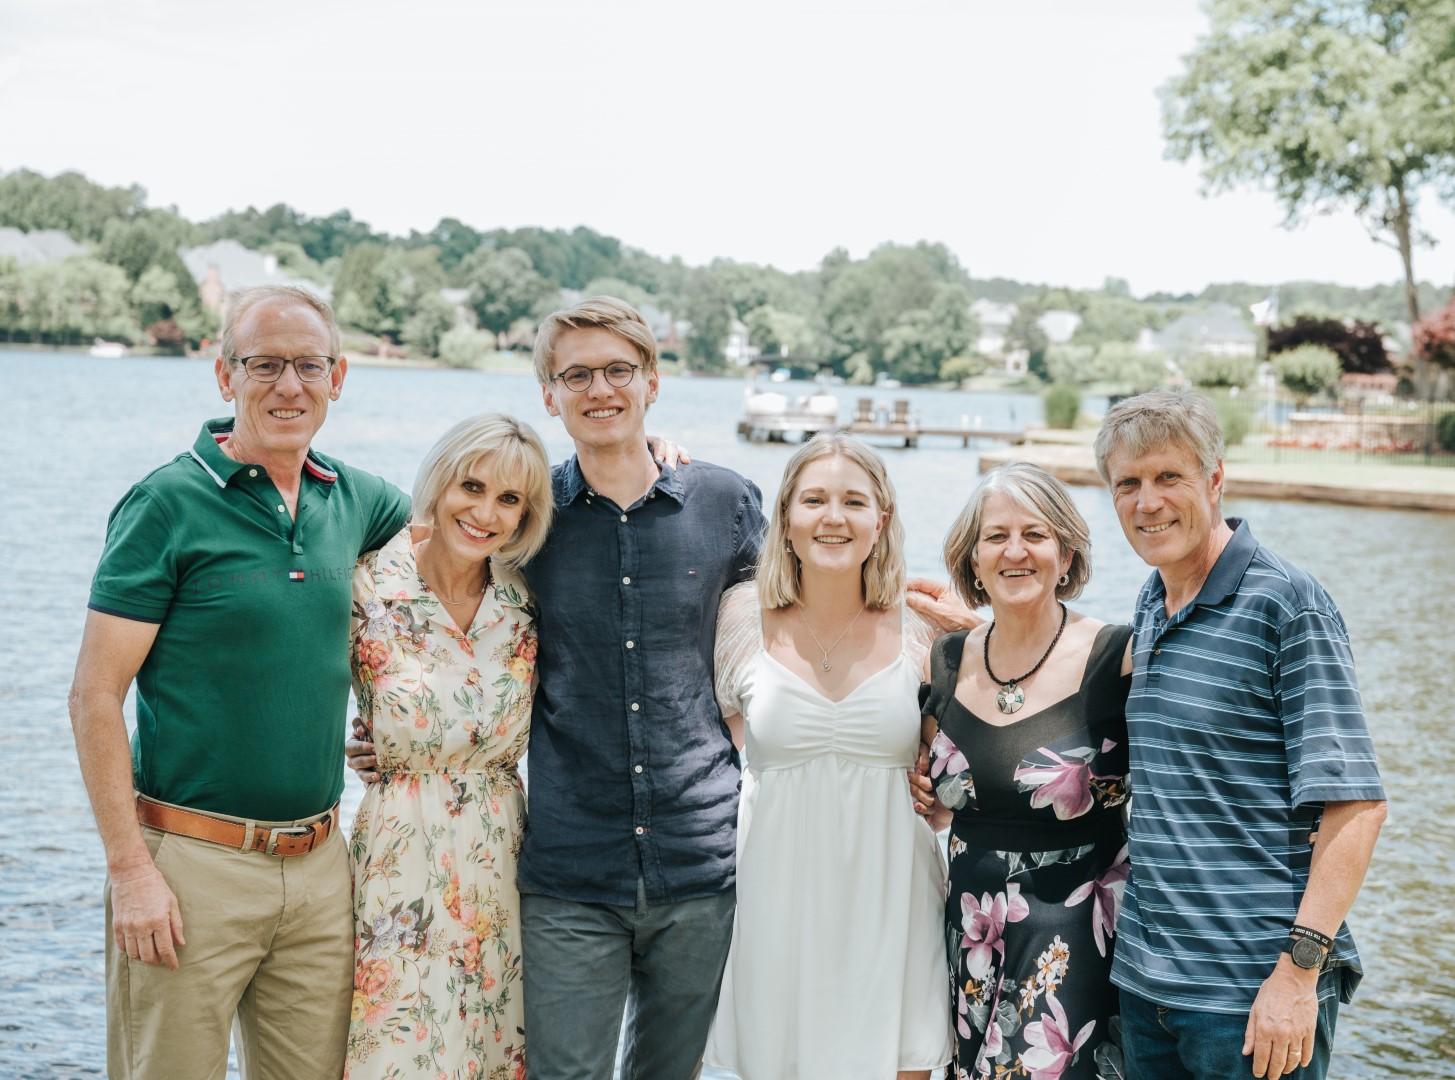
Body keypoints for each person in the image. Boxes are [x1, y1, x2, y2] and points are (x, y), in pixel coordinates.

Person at [68, 285, 411, 1080]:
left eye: (307, 365)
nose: (288, 386)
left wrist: (633, 455)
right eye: (264, 365)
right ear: (225, 377)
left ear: (339, 376)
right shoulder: (165, 504)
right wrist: (130, 872)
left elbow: (482, 531)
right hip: (188, 868)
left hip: (323, 868)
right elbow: (93, 696)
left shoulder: (356, 499)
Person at [1094, 390, 1387, 1080]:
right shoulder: (1154, 597)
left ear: (1214, 479)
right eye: (1127, 484)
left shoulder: (1284, 602)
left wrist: (1296, 975)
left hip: (1252, 996)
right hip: (1146, 983)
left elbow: (1356, 808)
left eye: (1169, 477)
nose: (1147, 502)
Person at [705, 433, 954, 1080]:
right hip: (772, 897)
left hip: (892, 898)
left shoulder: (923, 626)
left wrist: (975, 629)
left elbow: (987, 731)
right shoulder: (738, 616)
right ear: (785, 518)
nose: (833, 517)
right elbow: (699, 748)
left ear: (882, 521)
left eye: (853, 501)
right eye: (813, 499)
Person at [344, 414, 553, 1078]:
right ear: (438, 484)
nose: (485, 512)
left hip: (501, 862)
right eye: (472, 486)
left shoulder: (527, 601)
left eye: (509, 499)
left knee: (493, 1051)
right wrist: (350, 743)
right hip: (397, 858)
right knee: (395, 1051)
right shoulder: (366, 586)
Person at [918, 462, 1132, 1080]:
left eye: (1035, 535)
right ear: (974, 560)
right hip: (971, 935)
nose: (1016, 551)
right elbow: (941, 796)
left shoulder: (1118, 657)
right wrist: (925, 788)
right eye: (996, 537)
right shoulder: (947, 660)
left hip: (1076, 942)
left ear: (1066, 555)